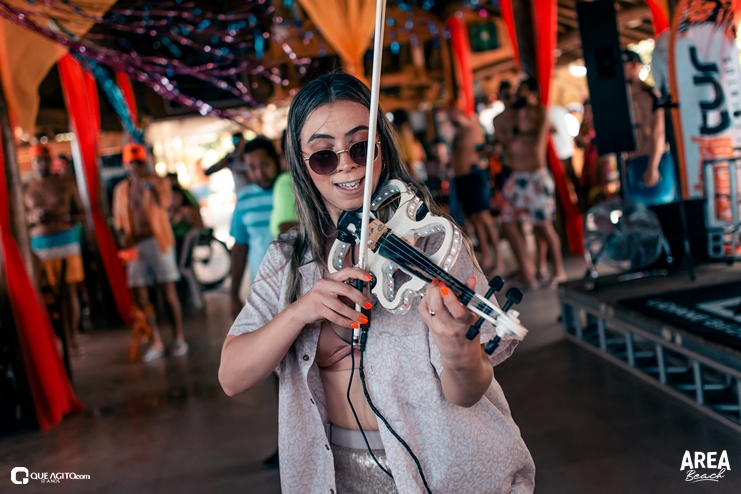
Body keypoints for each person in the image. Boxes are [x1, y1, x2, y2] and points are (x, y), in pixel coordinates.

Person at [219, 73, 534, 493]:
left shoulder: (431, 241)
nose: (347, 164)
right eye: (324, 156)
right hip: (337, 479)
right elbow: (232, 376)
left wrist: (460, 354)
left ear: (381, 148)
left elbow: (466, 393)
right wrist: (300, 311)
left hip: (443, 472)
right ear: (302, 163)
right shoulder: (287, 258)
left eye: (361, 147)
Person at [113, 143, 187, 362]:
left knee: (168, 291)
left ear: (145, 163)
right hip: (135, 244)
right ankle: (155, 340)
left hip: (158, 241)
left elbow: (164, 203)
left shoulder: (159, 182)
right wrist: (122, 237)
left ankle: (179, 338)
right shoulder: (121, 190)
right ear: (125, 164)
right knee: (140, 293)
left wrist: (149, 183)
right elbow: (118, 219)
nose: (134, 166)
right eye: (131, 162)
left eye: (138, 162)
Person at [498, 78, 567, 287]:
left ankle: (559, 271)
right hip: (517, 177)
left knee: (544, 227)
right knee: (507, 221)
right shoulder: (514, 115)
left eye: (523, 91)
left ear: (534, 93)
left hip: (535, 177)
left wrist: (519, 130)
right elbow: (503, 136)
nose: (519, 94)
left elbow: (537, 140)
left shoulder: (539, 112)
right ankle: (528, 271)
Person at [24, 144, 86, 353]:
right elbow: (21, 218)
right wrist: (34, 217)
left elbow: (80, 212)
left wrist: (65, 217)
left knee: (69, 291)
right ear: (33, 163)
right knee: (45, 293)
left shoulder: (66, 183)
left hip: (65, 238)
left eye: (45, 160)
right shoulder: (27, 188)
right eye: (38, 160)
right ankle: (54, 340)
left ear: (51, 161)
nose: (42, 164)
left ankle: (72, 338)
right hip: (40, 242)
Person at [230, 137, 282, 319]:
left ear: (277, 159)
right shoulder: (244, 199)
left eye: (265, 164)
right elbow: (240, 246)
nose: (259, 173)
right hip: (261, 289)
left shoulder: (292, 189)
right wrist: (233, 294)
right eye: (252, 168)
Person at [449, 104, 501, 274]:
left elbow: (479, 146)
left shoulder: (472, 126)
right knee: (475, 219)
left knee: (485, 218)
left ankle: (498, 257)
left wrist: (462, 117)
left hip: (474, 176)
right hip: (462, 178)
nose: (450, 117)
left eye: (452, 113)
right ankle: (486, 256)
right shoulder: (458, 132)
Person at [622, 49, 676, 206]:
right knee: (636, 214)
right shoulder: (623, 97)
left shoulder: (650, 93)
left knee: (661, 208)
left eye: (626, 64)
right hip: (633, 163)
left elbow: (658, 133)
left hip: (654, 160)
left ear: (635, 65)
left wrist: (653, 167)